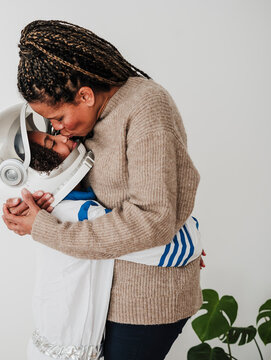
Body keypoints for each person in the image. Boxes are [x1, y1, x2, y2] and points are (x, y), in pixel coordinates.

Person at [2, 20, 205, 360]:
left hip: (145, 298)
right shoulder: (91, 119)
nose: (56, 128)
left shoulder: (145, 107)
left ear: (85, 95)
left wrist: (45, 229)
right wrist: (36, 205)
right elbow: (97, 197)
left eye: (57, 117)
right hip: (103, 290)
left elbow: (153, 220)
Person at [25, 131, 203, 360]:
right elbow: (166, 246)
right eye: (53, 143)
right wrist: (193, 235)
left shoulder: (52, 211)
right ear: (42, 169)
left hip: (45, 344)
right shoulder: (81, 214)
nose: (66, 139)